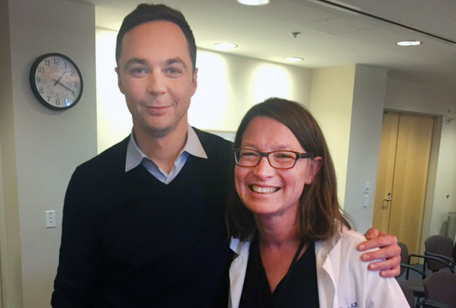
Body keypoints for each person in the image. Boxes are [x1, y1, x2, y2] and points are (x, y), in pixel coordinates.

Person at [51, 4, 401, 308]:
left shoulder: (234, 167)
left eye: (172, 69)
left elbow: (291, 225)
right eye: (139, 69)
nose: (157, 87)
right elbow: (70, 295)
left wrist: (367, 250)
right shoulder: (90, 181)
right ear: (120, 79)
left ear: (193, 80)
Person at [226, 98, 409, 307]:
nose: (262, 171)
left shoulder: (358, 256)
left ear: (312, 170)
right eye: (249, 154)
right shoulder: (229, 248)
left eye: (284, 156)